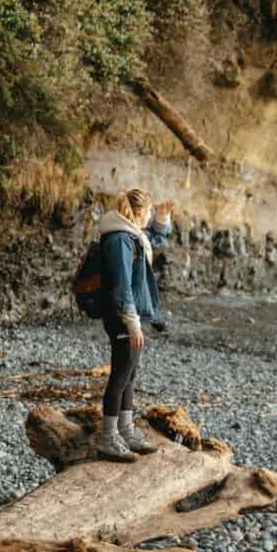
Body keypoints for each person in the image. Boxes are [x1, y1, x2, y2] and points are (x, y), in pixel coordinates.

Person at [92, 188, 174, 462]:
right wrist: (132, 324)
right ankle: (107, 437)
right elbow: (121, 285)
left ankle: (125, 430)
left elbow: (154, 237)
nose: (150, 217)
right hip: (121, 317)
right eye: (150, 213)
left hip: (129, 317)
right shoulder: (119, 240)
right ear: (138, 212)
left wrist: (163, 216)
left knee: (129, 374)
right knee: (120, 375)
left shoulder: (132, 235)